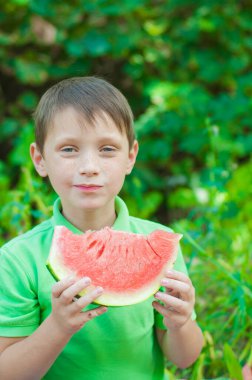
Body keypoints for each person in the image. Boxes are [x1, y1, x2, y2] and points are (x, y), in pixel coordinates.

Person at [0, 77, 203, 380]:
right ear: (40, 159)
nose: (89, 166)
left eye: (107, 149)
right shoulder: (18, 260)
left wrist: (181, 323)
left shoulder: (157, 245)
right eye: (69, 149)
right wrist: (57, 327)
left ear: (130, 157)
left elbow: (185, 358)